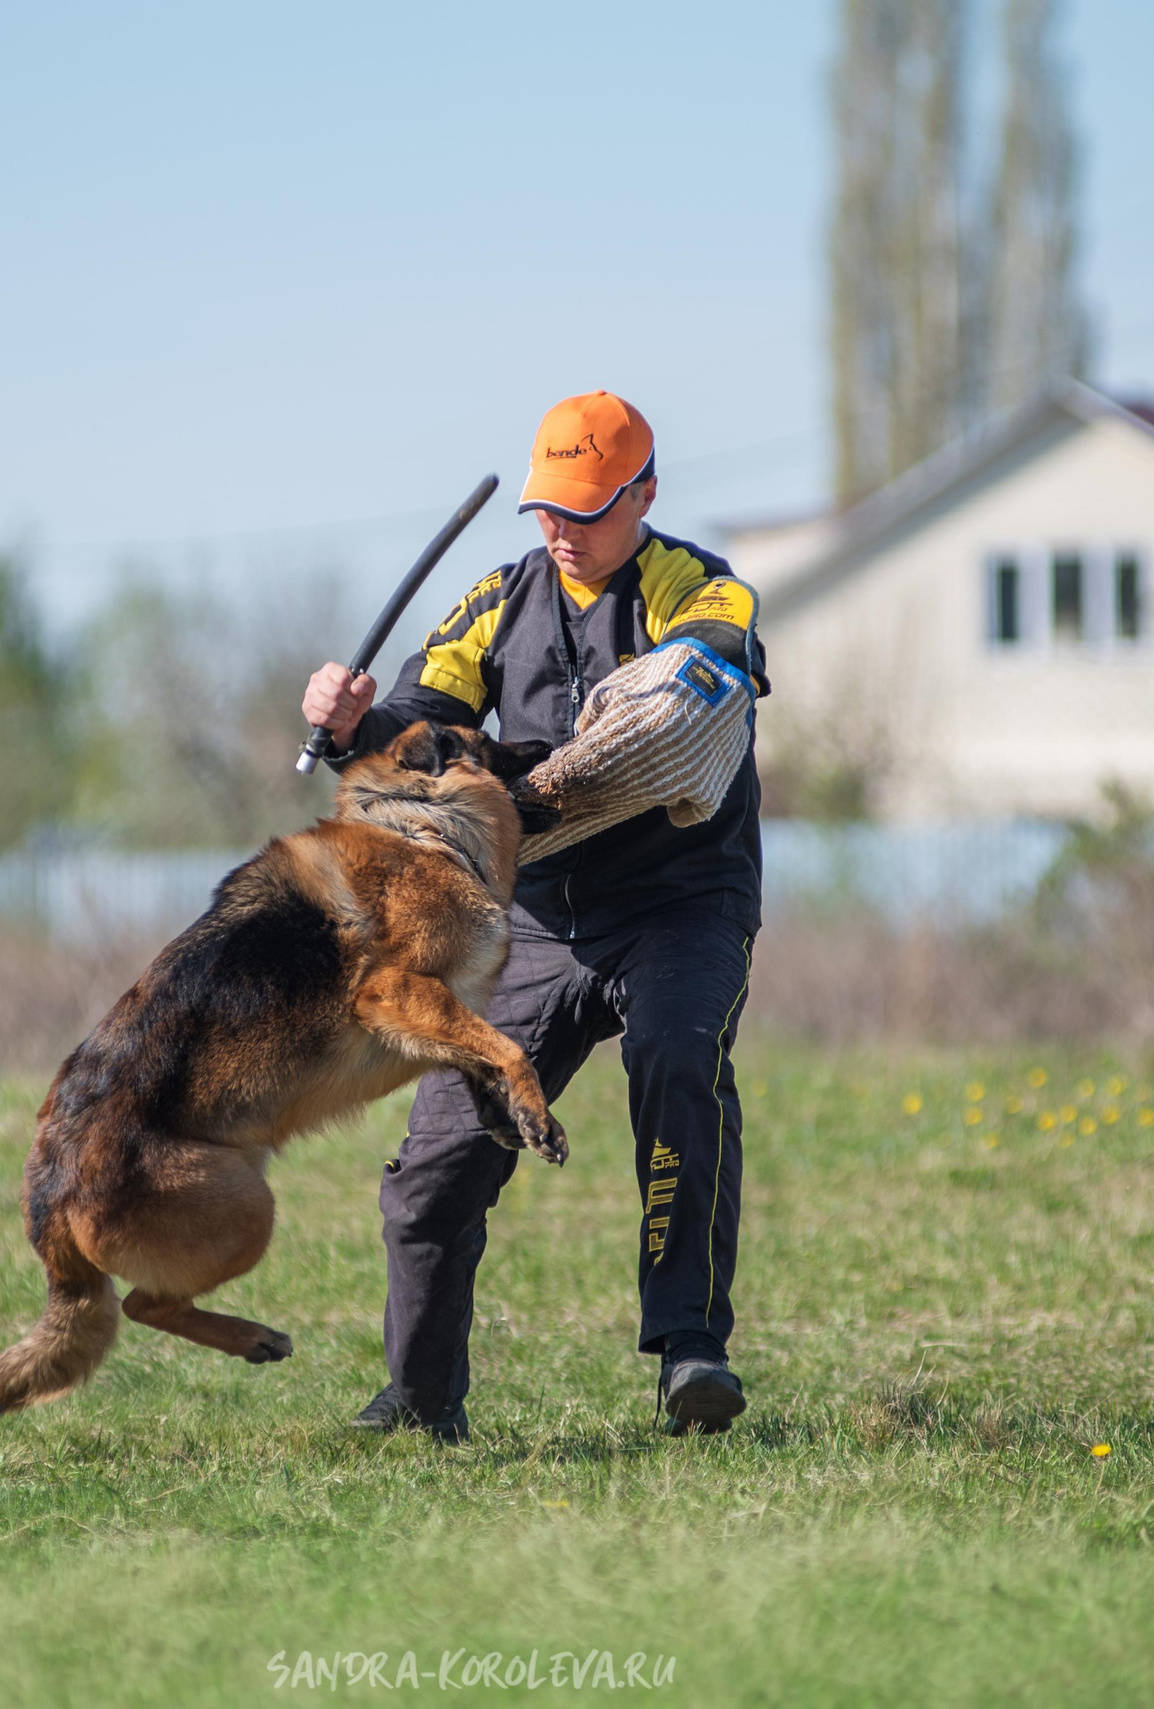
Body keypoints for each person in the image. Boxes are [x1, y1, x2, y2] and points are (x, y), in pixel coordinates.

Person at [300, 391, 768, 1440]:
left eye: (587, 507)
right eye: (546, 507)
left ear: (644, 491)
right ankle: (419, 1399)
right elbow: (426, 719)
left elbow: (706, 676)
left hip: (683, 900)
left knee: (677, 1061)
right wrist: (347, 723)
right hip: (542, 916)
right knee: (435, 1162)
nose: (561, 528)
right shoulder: (496, 601)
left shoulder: (701, 589)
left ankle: (689, 1350)